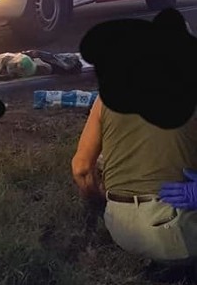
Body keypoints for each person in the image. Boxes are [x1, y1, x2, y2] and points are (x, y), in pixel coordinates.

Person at [71, 95, 197, 265]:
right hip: (180, 232)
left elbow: (81, 169)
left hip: (122, 229)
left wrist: (101, 205)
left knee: (103, 160)